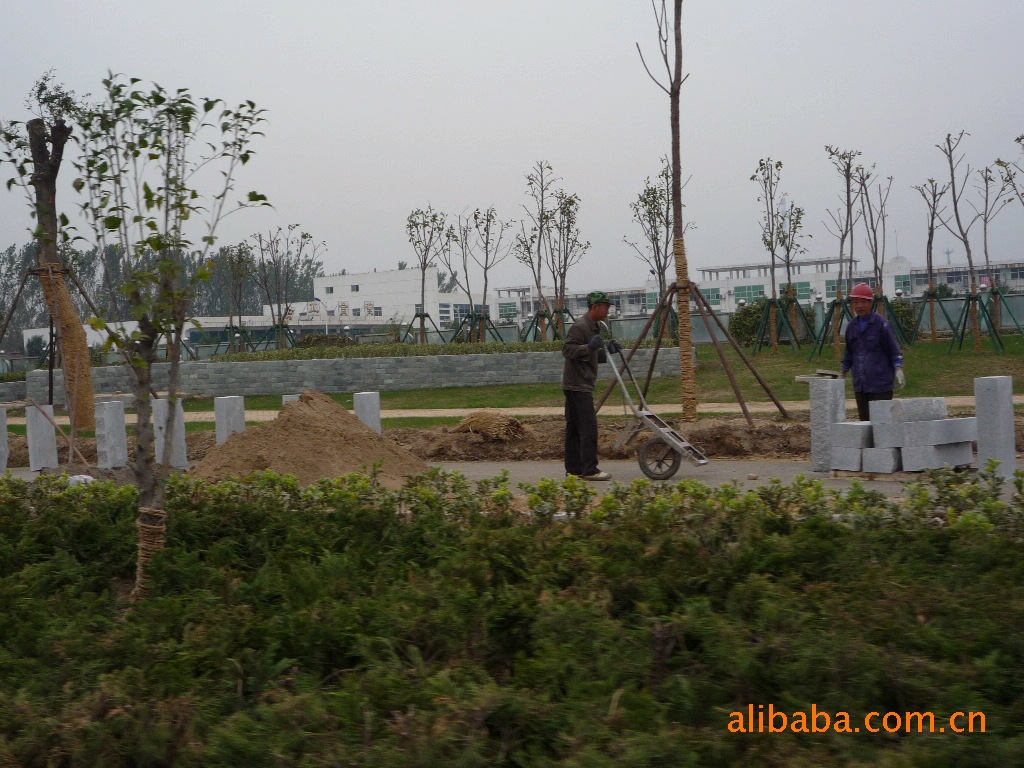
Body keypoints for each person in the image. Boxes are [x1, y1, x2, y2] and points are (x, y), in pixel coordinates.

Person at [562, 291, 613, 480]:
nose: (608, 310)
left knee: (574, 428)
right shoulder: (580, 326)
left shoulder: (595, 327)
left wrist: (607, 351)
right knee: (588, 427)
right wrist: (590, 347)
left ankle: (574, 470)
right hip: (577, 384)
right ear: (595, 307)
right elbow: (567, 350)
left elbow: (592, 354)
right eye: (605, 307)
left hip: (581, 383)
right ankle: (590, 470)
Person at [841, 282, 905, 421]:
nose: (859, 306)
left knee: (882, 424)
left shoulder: (881, 325)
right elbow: (849, 354)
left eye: (863, 302)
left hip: (880, 385)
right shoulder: (852, 327)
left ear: (870, 303)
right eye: (856, 302)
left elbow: (893, 351)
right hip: (861, 385)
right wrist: (842, 373)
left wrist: (898, 369)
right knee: (865, 425)